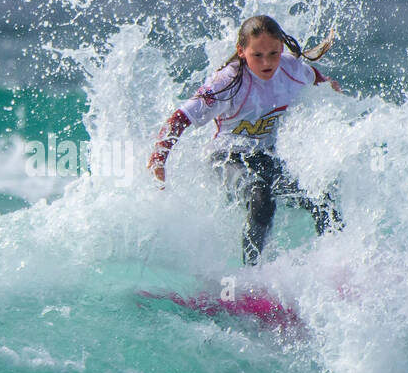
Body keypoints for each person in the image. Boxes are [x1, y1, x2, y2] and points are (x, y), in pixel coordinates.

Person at [147, 14, 345, 265]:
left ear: (281, 49)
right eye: (257, 55)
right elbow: (180, 117)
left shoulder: (293, 70)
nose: (267, 62)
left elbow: (316, 78)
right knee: (260, 197)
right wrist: (158, 157)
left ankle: (340, 266)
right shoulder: (228, 81)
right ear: (241, 51)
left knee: (321, 196)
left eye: (273, 53)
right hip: (228, 159)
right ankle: (253, 277)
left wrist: (330, 87)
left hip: (268, 157)